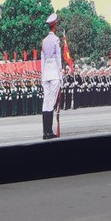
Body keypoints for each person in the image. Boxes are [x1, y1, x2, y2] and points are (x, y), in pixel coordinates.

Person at [39, 12, 64, 140]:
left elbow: (42, 60)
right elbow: (59, 59)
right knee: (52, 102)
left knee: (46, 102)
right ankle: (49, 131)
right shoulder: (56, 40)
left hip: (46, 73)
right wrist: (61, 77)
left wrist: (42, 77)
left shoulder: (44, 41)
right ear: (54, 25)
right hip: (54, 72)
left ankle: (46, 131)